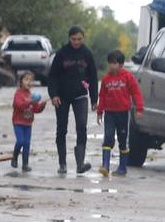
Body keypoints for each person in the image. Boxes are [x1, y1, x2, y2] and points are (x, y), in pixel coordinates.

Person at [47, 25, 99, 174]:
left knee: (82, 127)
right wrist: (53, 94)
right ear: (69, 38)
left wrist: (94, 99)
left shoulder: (87, 54)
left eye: (79, 39)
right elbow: (53, 76)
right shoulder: (62, 53)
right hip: (62, 96)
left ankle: (80, 163)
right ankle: (62, 163)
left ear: (83, 38)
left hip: (81, 95)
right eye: (73, 39)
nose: (76, 42)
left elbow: (93, 77)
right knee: (61, 129)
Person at [95, 49, 145, 177]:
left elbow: (136, 93)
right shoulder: (106, 79)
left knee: (123, 140)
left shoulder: (128, 77)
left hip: (123, 113)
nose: (112, 65)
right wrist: (100, 111)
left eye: (115, 63)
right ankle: (105, 165)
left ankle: (122, 168)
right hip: (109, 114)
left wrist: (139, 108)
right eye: (110, 63)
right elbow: (103, 96)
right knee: (108, 138)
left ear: (121, 64)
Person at [11, 71, 47, 172]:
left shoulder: (31, 94)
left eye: (31, 80)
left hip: (28, 123)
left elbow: (36, 109)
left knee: (27, 144)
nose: (29, 82)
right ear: (21, 81)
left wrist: (42, 105)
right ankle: (14, 157)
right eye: (26, 79)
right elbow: (19, 105)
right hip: (18, 122)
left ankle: (25, 164)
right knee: (20, 141)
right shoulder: (18, 93)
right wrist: (30, 101)